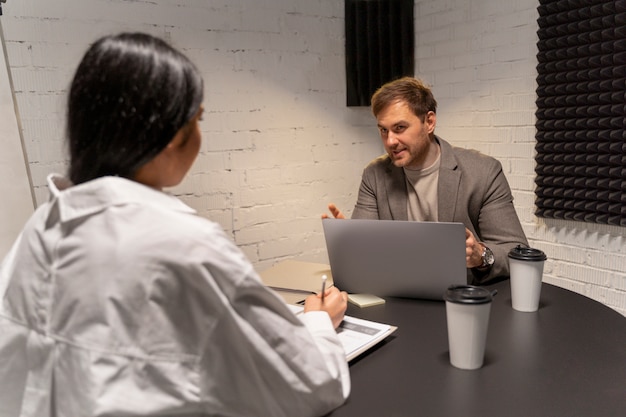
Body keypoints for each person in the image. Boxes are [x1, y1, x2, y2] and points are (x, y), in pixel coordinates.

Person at [0, 32, 349, 417]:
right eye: (196, 120)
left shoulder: (37, 231)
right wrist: (319, 321)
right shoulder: (183, 244)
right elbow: (312, 383)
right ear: (167, 133)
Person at [324, 77, 528, 285]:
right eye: (383, 130)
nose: (390, 141)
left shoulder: (483, 171)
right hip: (400, 296)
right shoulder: (374, 175)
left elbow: (516, 252)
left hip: (461, 299)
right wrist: (351, 244)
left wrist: (481, 255)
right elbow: (367, 256)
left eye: (400, 128)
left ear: (429, 122)